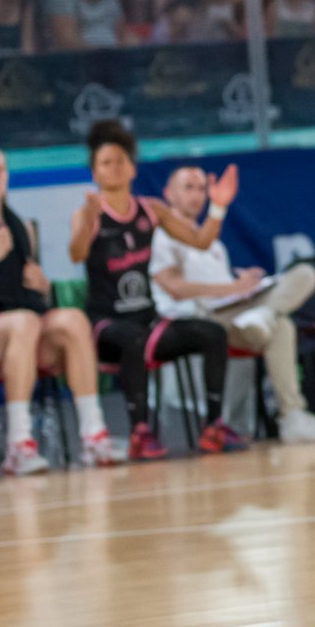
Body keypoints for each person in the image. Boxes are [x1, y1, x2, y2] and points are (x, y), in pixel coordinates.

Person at [0, 143, 125, 474]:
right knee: (23, 322)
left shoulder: (20, 227)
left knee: (73, 319)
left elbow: (35, 299)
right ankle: (19, 444)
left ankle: (94, 434)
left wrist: (42, 286)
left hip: (28, 334)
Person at [69, 121, 244, 460]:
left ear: (132, 168)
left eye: (121, 160)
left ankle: (214, 426)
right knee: (132, 337)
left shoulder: (152, 210)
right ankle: (140, 430)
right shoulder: (88, 213)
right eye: (106, 162)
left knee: (212, 333)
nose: (115, 168)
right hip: (106, 326)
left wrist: (219, 206)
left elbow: (201, 240)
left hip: (147, 322)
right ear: (95, 172)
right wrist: (88, 222)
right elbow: (76, 253)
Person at [151, 165, 315, 443]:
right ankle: (267, 318)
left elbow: (224, 285)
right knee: (281, 325)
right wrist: (233, 287)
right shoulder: (162, 236)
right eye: (188, 187)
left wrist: (244, 283)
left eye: (201, 188)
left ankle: (293, 417)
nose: (197, 195)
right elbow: (174, 288)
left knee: (304, 275)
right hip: (201, 319)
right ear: (167, 194)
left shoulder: (211, 243)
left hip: (238, 313)